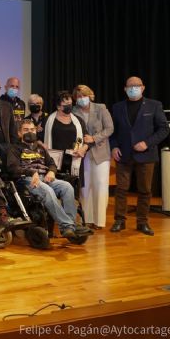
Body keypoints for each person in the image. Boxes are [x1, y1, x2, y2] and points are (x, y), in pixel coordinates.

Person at [7, 119, 92, 238]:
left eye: (32, 129)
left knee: (67, 187)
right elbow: (12, 168)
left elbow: (51, 163)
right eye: (26, 130)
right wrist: (31, 173)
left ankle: (71, 225)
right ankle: (67, 226)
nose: (30, 132)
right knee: (48, 190)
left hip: (45, 178)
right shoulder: (14, 149)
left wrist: (52, 171)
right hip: (27, 180)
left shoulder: (40, 148)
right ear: (19, 133)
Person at [109, 76, 169, 236]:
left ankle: (142, 222)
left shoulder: (154, 105)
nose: (133, 88)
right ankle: (119, 221)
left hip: (146, 155)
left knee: (145, 190)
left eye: (136, 86)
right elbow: (112, 132)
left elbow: (163, 129)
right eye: (130, 86)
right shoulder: (117, 107)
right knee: (121, 189)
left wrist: (147, 143)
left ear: (143, 88)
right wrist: (113, 147)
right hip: (123, 155)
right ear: (125, 89)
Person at [72, 85, 114, 230]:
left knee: (101, 186)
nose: (81, 99)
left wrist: (94, 138)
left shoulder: (101, 108)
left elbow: (109, 128)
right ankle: (87, 219)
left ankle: (99, 221)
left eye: (84, 95)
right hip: (82, 155)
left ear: (90, 95)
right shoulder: (74, 111)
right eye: (78, 96)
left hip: (100, 153)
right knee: (85, 188)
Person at [43, 91, 89, 178]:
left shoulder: (79, 121)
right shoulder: (47, 120)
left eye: (71, 104)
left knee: (73, 190)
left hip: (74, 163)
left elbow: (88, 139)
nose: (69, 106)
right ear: (58, 107)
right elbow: (38, 138)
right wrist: (42, 145)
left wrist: (83, 149)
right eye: (66, 104)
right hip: (53, 164)